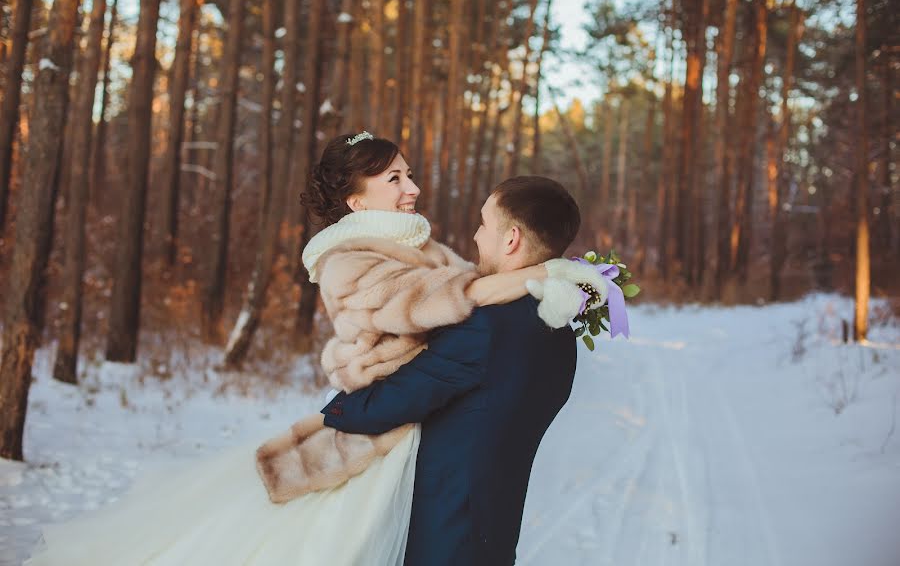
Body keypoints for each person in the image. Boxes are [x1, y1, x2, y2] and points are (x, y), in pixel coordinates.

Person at [25, 132, 598, 565]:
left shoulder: (440, 264)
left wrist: (545, 278)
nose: (414, 188)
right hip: (388, 434)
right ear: (355, 201)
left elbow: (465, 316)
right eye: (395, 179)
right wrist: (549, 277)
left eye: (408, 174)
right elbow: (447, 303)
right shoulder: (349, 262)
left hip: (423, 448)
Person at [322, 175, 583, 565]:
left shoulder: (486, 326)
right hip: (494, 537)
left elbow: (393, 402)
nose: (477, 237)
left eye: (483, 224)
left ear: (511, 239)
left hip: (444, 538)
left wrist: (335, 408)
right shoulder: (562, 334)